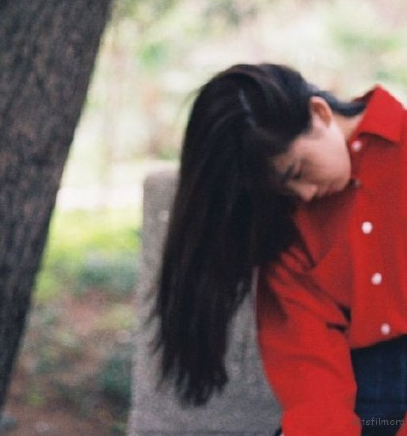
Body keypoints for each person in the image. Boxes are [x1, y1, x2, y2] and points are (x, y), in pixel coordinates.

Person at [154, 63, 407, 436]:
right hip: (365, 397)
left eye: (297, 171)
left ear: (319, 113)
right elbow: (310, 373)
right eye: (285, 190)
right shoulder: (286, 228)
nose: (303, 195)